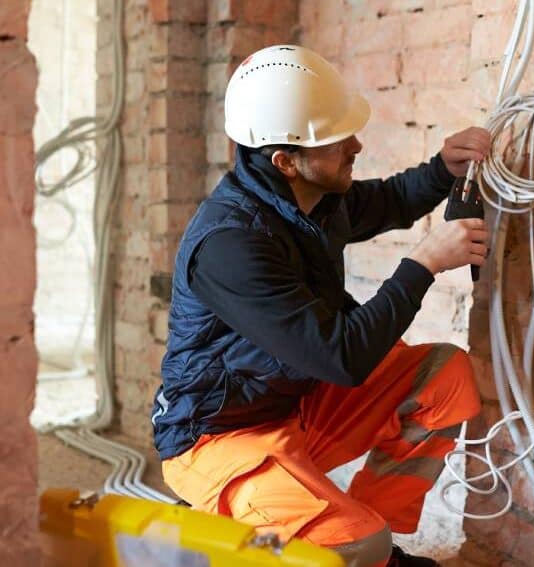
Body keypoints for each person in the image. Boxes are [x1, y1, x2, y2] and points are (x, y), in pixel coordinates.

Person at [151, 45, 490, 567]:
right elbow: (342, 357)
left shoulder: (310, 197)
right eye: (337, 142)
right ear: (286, 161)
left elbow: (386, 201)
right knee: (353, 545)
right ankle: (244, 520)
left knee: (445, 379)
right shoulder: (230, 244)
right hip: (217, 437)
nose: (355, 145)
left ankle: (374, 542)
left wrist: (443, 171)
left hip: (293, 404)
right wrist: (422, 264)